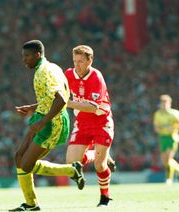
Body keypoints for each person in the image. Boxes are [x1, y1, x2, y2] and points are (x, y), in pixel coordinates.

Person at [10, 40, 85, 211]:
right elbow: (52, 97)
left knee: (26, 165)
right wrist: (33, 107)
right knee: (19, 158)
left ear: (37, 55)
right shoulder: (52, 67)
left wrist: (43, 121)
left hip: (52, 123)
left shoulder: (44, 72)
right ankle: (31, 204)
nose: (24, 60)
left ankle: (71, 171)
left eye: (27, 56)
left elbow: (61, 99)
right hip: (41, 117)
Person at [64, 45, 114, 207]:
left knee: (100, 165)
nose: (76, 65)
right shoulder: (69, 74)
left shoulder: (96, 77)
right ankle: (96, 153)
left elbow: (93, 107)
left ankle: (104, 197)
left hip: (102, 122)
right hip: (82, 122)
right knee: (71, 163)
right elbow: (59, 94)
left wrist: (68, 103)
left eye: (80, 61)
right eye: (74, 61)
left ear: (89, 60)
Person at [153, 94, 179, 185]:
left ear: (170, 104)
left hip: (172, 137)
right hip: (163, 137)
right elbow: (156, 128)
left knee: (168, 158)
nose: (164, 105)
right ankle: (178, 168)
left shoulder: (175, 113)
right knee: (165, 161)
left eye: (166, 103)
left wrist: (174, 128)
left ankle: (169, 178)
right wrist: (159, 129)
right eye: (162, 103)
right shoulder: (157, 114)